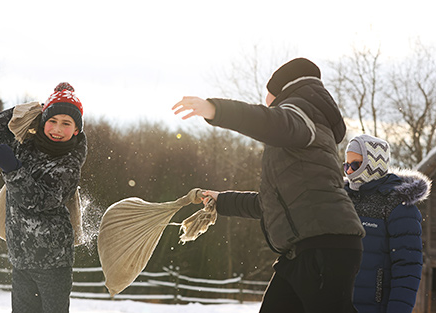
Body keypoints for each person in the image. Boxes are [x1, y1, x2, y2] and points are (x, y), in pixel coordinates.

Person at [173, 57, 365, 313]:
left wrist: (215, 109)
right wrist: (222, 201)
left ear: (286, 91)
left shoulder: (302, 114)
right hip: (302, 251)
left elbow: (270, 121)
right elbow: (270, 205)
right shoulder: (302, 138)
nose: (266, 101)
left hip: (325, 246)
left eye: (269, 96)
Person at [0, 82, 87, 313]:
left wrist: (13, 169)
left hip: (53, 263)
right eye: (52, 121)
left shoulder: (69, 163)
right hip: (20, 258)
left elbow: (38, 201)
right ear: (42, 122)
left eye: (66, 123)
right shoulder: (27, 146)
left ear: (76, 130)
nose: (57, 128)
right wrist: (31, 110)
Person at [344, 134, 429, 313]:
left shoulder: (397, 205)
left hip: (374, 307)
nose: (349, 172)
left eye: (355, 164)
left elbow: (407, 267)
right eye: (346, 165)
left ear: (373, 163)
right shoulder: (342, 199)